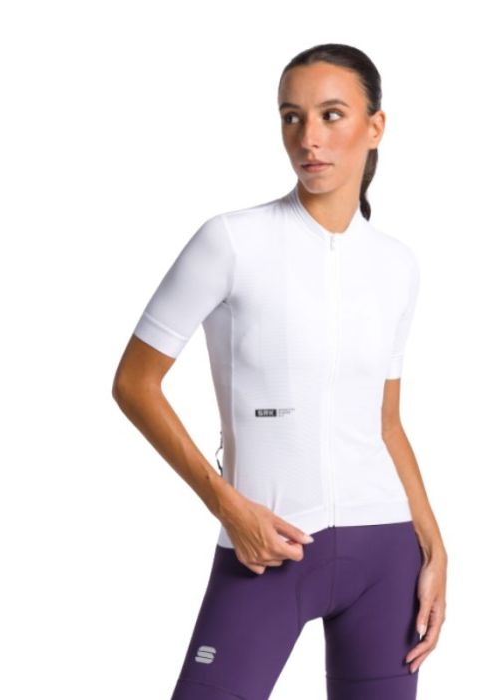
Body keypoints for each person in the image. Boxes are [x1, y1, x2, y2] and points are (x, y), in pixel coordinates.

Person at [113, 43, 448, 700]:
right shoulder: (231, 241)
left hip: (386, 554)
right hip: (268, 546)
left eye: (331, 115)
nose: (308, 138)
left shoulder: (396, 266)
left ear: (375, 127)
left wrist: (434, 549)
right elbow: (134, 383)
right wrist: (228, 505)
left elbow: (385, 423)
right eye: (292, 117)